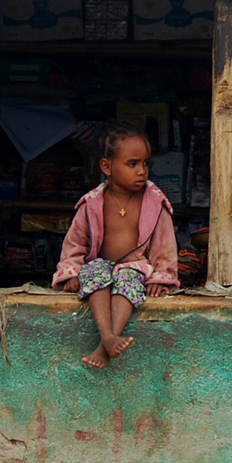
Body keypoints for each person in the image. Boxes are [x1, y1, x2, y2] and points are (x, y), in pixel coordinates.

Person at [53, 121, 179, 368]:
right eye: (132, 164)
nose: (142, 171)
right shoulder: (92, 203)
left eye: (145, 163)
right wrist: (72, 273)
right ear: (107, 167)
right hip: (99, 265)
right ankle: (107, 336)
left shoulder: (155, 203)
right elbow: (75, 244)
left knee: (128, 277)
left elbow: (165, 247)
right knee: (96, 271)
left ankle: (107, 343)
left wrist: (161, 277)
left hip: (135, 267)